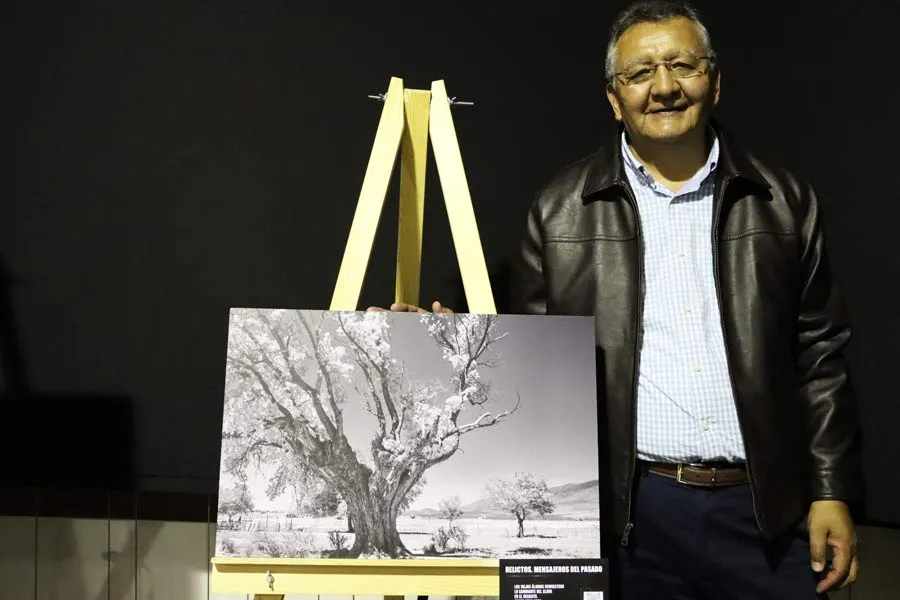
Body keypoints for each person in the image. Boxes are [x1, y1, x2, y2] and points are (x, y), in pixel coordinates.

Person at [373, 1, 863, 597]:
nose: (664, 87)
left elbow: (820, 357)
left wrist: (831, 490)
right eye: (640, 73)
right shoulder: (560, 210)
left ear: (714, 80)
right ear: (614, 97)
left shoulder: (783, 200)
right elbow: (534, 355)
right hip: (628, 519)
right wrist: (446, 342)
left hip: (766, 515)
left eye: (682, 65)